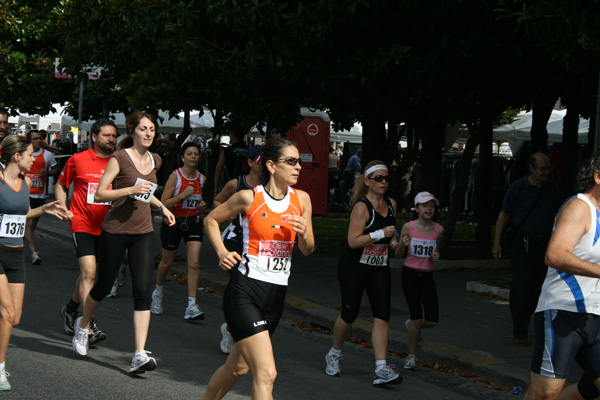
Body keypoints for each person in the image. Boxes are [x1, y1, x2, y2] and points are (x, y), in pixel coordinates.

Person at [202, 138, 314, 400]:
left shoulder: (303, 200)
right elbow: (210, 219)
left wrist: (304, 232)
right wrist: (222, 252)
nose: (298, 167)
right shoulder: (249, 197)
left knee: (237, 368)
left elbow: (308, 249)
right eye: (291, 161)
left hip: (275, 296)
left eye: (299, 161)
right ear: (272, 166)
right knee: (266, 374)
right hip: (245, 292)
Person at [71, 111, 175, 375]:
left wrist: (162, 206)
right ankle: (83, 325)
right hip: (116, 229)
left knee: (143, 291)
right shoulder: (120, 158)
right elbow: (100, 192)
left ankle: (139, 353)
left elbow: (148, 192)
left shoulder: (156, 160)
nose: (149, 133)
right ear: (133, 131)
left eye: (152, 129)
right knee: (104, 285)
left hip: (143, 231)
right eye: (143, 129)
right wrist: (129, 189)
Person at [524, 150, 600, 399]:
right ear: (598, 177)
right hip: (563, 313)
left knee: (587, 390)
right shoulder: (579, 206)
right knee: (545, 394)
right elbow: (555, 255)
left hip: (595, 317)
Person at [0, 135, 71, 390]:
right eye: (30, 155)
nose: (34, 159)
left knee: (14, 317)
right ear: (16, 156)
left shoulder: (24, 182)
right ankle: (0, 369)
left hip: (16, 254)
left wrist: (46, 209)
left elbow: (24, 213)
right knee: (6, 314)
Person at [325, 160, 403, 386]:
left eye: (386, 178)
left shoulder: (391, 204)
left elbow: (392, 234)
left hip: (378, 267)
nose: (383, 182)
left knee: (382, 315)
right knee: (349, 314)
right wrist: (379, 234)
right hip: (354, 267)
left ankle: (381, 367)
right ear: (367, 181)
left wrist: (396, 242)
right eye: (378, 178)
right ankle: (334, 353)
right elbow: (352, 241)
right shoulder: (361, 207)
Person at [56, 119, 118, 345]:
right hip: (81, 221)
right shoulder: (78, 160)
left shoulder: (118, 162)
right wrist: (62, 206)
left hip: (108, 225)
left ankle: (71, 309)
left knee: (89, 275)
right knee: (89, 272)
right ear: (94, 137)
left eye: (114, 136)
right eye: (106, 135)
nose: (111, 139)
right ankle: (87, 323)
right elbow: (62, 184)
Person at [492, 152, 559, 346]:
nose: (546, 172)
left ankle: (536, 326)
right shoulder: (517, 188)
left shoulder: (551, 188)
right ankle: (519, 330)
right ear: (531, 168)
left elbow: (556, 214)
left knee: (540, 287)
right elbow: (503, 215)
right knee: (522, 287)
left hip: (544, 242)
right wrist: (497, 243)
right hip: (523, 242)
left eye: (548, 168)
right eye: (542, 168)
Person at [213, 144, 262, 354]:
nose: (264, 165)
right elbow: (217, 201)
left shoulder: (272, 186)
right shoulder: (236, 184)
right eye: (259, 160)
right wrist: (226, 213)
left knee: (254, 287)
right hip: (235, 241)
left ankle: (239, 328)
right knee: (238, 283)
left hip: (258, 243)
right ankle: (231, 329)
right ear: (250, 162)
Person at [151, 142, 207, 320]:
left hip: (193, 223)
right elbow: (163, 203)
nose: (193, 157)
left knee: (194, 263)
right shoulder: (176, 177)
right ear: (182, 157)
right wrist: (182, 196)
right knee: (167, 262)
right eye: (189, 154)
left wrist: (202, 204)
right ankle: (158, 293)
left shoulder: (201, 179)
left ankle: (191, 305)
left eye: (196, 154)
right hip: (173, 222)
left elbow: (199, 201)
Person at [396, 192, 444, 371]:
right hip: (410, 275)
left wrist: (437, 255)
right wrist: (402, 244)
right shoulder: (408, 228)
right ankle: (411, 356)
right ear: (416, 209)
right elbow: (399, 254)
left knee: (432, 320)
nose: (429, 208)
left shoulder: (439, 230)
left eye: (432, 205)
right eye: (424, 205)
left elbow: (436, 252)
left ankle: (413, 327)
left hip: (427, 276)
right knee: (416, 318)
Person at [23, 129, 58, 265]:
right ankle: (34, 253)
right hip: (25, 192)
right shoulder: (23, 154)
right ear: (29, 140)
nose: (38, 141)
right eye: (35, 138)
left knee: (32, 226)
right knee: (29, 223)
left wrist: (48, 172)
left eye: (39, 138)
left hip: (39, 194)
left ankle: (21, 240)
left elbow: (55, 169)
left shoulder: (47, 155)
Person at [213, 125, 248, 193]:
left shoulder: (227, 151)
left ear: (233, 135)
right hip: (246, 186)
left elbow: (218, 172)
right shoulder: (248, 150)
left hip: (230, 186)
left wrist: (216, 190)